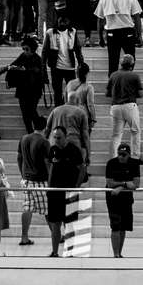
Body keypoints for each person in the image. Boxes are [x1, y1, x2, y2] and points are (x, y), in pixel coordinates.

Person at [94, 0, 143, 82]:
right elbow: (137, 18)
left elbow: (100, 20)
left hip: (112, 33)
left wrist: (100, 37)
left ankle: (113, 86)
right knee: (130, 59)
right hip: (128, 32)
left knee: (113, 61)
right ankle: (127, 81)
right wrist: (139, 35)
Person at [46, 125, 84, 257]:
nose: (56, 140)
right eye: (54, 137)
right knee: (55, 223)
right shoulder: (53, 150)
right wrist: (49, 187)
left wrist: (76, 187)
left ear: (65, 137)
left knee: (69, 223)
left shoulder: (74, 150)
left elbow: (82, 169)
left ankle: (70, 251)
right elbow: (50, 168)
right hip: (55, 192)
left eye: (59, 137)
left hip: (69, 192)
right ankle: (55, 251)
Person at [17, 114, 51, 247]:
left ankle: (24, 237)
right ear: (46, 127)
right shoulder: (44, 142)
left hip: (26, 179)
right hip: (41, 179)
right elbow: (47, 162)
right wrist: (50, 178)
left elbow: (19, 158)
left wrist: (22, 174)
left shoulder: (24, 138)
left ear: (32, 125)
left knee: (27, 208)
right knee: (49, 209)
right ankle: (56, 234)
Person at [105, 142, 141, 257]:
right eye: (119, 154)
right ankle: (116, 254)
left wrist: (121, 186)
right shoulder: (111, 163)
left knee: (123, 226)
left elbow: (136, 184)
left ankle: (119, 253)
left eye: (124, 155)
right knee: (115, 226)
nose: (121, 156)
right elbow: (110, 184)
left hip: (126, 197)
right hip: (113, 198)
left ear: (129, 155)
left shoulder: (134, 164)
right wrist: (125, 183)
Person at [41, 11, 83, 106]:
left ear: (68, 21)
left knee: (71, 92)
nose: (63, 22)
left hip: (70, 68)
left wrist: (81, 63)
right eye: (61, 20)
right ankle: (58, 110)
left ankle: (69, 111)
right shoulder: (50, 32)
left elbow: (77, 49)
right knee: (57, 92)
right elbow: (44, 52)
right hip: (56, 68)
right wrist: (43, 67)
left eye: (65, 20)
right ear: (57, 21)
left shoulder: (73, 31)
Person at [107, 54, 143, 159]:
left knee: (116, 135)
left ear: (121, 64)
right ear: (132, 64)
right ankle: (135, 156)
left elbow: (108, 93)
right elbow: (141, 94)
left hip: (115, 107)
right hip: (129, 106)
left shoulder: (113, 75)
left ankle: (114, 158)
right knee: (135, 131)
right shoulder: (134, 76)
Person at [7, 36, 45, 133]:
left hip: (34, 90)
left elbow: (38, 73)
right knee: (25, 113)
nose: (25, 51)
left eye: (27, 49)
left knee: (31, 110)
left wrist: (24, 70)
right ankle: (30, 132)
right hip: (23, 89)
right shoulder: (22, 56)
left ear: (32, 49)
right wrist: (16, 69)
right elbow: (12, 65)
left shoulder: (38, 59)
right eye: (23, 49)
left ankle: (39, 128)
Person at [44, 92, 90, 173]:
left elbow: (47, 128)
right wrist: (88, 153)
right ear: (78, 100)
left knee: (55, 170)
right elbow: (85, 135)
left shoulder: (56, 110)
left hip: (55, 143)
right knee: (72, 171)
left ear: (66, 99)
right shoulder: (81, 112)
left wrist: (45, 142)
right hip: (73, 144)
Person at [66, 63, 97, 132]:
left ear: (76, 72)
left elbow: (66, 99)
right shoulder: (88, 87)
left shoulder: (70, 83)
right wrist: (93, 118)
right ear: (87, 73)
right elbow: (90, 104)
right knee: (85, 137)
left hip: (70, 112)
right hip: (83, 113)